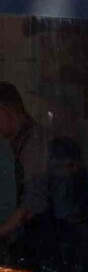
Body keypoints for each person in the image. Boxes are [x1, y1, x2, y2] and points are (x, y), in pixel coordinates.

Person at [0, 82, 49, 262]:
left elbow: (30, 206)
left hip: (36, 240)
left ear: (5, 111)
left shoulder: (33, 142)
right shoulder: (16, 142)